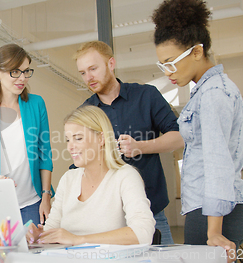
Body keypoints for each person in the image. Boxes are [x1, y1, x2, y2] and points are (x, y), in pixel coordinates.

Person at [152, 0, 243, 259]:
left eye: (171, 63)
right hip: (210, 210)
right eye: (162, 66)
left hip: (215, 214)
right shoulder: (207, 90)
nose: (167, 73)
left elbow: (217, 163)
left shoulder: (212, 94)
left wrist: (214, 231)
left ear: (197, 51)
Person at [73, 40, 184, 244]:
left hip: (152, 213)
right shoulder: (84, 113)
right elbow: (78, 165)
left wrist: (141, 147)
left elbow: (179, 136)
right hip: (105, 219)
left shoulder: (147, 96)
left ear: (111, 63)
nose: (88, 77)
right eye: (82, 72)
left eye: (93, 68)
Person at [27, 105, 155, 245]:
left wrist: (78, 240)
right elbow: (52, 228)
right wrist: (40, 235)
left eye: (78, 138)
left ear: (101, 139)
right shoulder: (68, 179)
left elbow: (143, 233)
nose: (70, 147)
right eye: (68, 140)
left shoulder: (125, 176)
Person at [0, 43, 54, 226]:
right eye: (14, 72)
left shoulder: (36, 104)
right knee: (0, 254)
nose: (22, 78)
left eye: (26, 71)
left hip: (32, 202)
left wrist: (46, 196)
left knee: (35, 252)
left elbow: (44, 154)